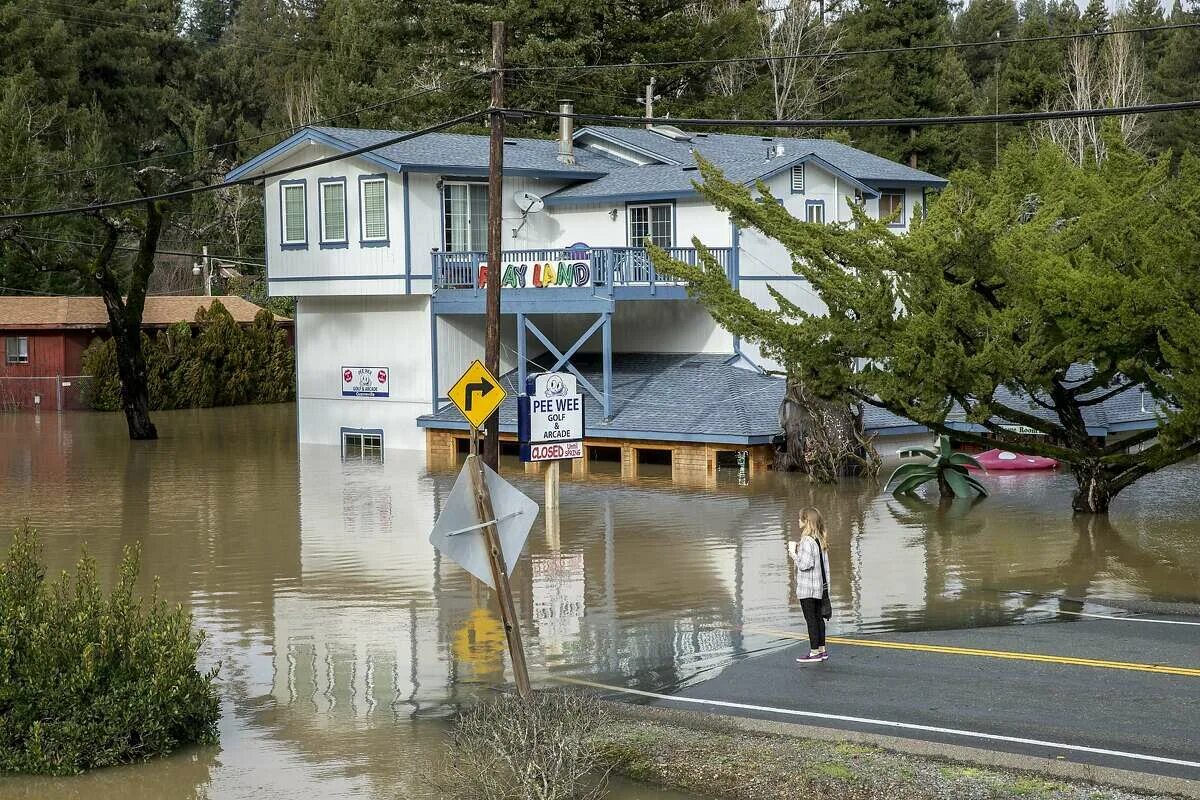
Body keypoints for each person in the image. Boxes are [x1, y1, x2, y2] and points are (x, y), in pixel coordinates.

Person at [788, 507, 831, 664]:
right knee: (818, 619)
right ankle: (822, 650)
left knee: (811, 620)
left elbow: (805, 564)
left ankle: (814, 653)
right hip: (819, 587)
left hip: (807, 588)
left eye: (800, 519)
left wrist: (793, 553)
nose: (797, 521)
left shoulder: (807, 540)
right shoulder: (819, 538)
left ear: (806, 521)